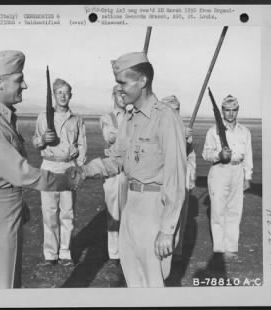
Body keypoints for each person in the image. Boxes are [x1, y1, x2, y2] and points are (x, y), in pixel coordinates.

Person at [69, 52, 187, 287]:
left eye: (123, 82)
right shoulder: (130, 120)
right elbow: (116, 159)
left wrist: (167, 229)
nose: (119, 88)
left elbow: (176, 176)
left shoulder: (165, 118)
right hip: (130, 205)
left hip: (154, 208)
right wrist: (85, 170)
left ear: (142, 81)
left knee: (153, 285)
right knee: (134, 282)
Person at [0, 50, 78, 289]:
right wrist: (65, 181)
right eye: (19, 80)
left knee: (8, 287)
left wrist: (18, 202)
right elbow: (19, 171)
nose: (24, 85)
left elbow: (3, 173)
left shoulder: (4, 118)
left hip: (4, 208)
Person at [33, 78, 87, 267]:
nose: (63, 96)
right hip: (49, 166)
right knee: (49, 213)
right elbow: (35, 141)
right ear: (54, 95)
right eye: (59, 93)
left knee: (67, 213)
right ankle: (50, 254)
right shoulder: (43, 117)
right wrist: (42, 139)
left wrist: (78, 167)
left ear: (70, 95)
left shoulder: (77, 119)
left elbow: (82, 145)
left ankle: (65, 253)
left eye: (66, 92)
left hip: (68, 168)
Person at [202, 95, 253, 262]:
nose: (230, 114)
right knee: (218, 211)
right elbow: (205, 154)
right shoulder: (213, 130)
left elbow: (248, 156)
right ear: (222, 111)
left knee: (234, 211)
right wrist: (219, 155)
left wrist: (247, 176)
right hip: (220, 170)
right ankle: (218, 249)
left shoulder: (244, 132)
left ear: (237, 111)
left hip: (237, 171)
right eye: (227, 110)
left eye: (234, 110)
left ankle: (231, 248)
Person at [162, 95, 197, 260]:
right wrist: (179, 136)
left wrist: (191, 176)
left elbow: (191, 155)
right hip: (162, 179)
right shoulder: (158, 127)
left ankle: (176, 250)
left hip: (181, 177)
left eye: (177, 111)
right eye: (171, 111)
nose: (174, 114)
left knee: (181, 215)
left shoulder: (184, 129)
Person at [99, 85, 129, 266]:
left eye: (125, 93)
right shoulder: (107, 118)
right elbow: (110, 136)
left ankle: (127, 250)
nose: (122, 97)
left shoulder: (134, 115)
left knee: (129, 211)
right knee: (113, 212)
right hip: (113, 170)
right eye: (119, 93)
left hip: (131, 169)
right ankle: (114, 253)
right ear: (113, 96)